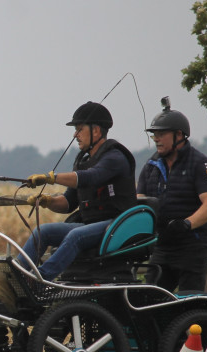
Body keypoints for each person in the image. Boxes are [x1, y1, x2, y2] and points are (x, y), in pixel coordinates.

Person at [20, 102, 137, 281]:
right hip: (91, 226)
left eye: (79, 129)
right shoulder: (84, 160)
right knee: (42, 231)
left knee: (76, 236)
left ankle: (39, 280)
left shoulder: (115, 158)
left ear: (96, 131)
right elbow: (68, 202)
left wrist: (50, 178)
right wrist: (47, 201)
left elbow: (91, 177)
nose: (75, 134)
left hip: (116, 225)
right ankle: (18, 276)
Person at [137, 101, 207, 293]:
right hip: (162, 245)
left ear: (179, 135)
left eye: (162, 134)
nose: (156, 139)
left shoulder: (200, 163)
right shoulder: (151, 165)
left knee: (189, 301)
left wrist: (186, 224)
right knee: (150, 297)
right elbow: (140, 201)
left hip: (192, 246)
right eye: (154, 135)